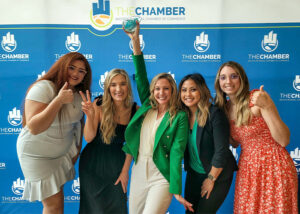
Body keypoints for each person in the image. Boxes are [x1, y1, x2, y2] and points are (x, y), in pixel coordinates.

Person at [123, 22, 193, 214]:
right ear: (152, 91)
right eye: (157, 88)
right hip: (138, 171)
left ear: (172, 91)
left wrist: (176, 189)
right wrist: (135, 41)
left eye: (166, 88)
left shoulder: (179, 117)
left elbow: (177, 152)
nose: (161, 92)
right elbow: (141, 75)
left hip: (161, 174)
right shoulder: (147, 105)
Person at [214, 61, 298, 214]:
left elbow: (284, 139)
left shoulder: (257, 98)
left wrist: (267, 106)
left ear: (242, 79)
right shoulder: (225, 109)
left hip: (274, 165)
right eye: (223, 78)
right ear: (218, 82)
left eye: (234, 76)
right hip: (248, 168)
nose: (228, 82)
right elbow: (235, 143)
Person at [16, 52, 92, 214]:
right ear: (63, 66)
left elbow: (78, 124)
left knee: (57, 203)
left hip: (61, 155)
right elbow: (34, 127)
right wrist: (58, 101)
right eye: (72, 68)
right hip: (37, 156)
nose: (76, 73)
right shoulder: (43, 87)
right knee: (54, 205)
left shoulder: (80, 93)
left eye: (81, 71)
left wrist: (75, 153)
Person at [78, 68, 137, 214]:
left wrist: (125, 171)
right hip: (92, 164)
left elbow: (132, 145)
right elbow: (88, 138)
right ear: (108, 88)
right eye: (113, 84)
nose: (118, 89)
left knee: (117, 207)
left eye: (122, 84)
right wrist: (90, 116)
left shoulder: (136, 110)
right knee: (94, 209)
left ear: (128, 87)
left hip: (116, 164)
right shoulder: (99, 104)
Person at [178, 73, 237, 214]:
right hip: (194, 173)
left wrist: (211, 179)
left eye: (193, 89)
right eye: (184, 90)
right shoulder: (181, 116)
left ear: (202, 91)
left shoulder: (215, 114)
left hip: (217, 174)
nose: (188, 94)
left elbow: (221, 150)